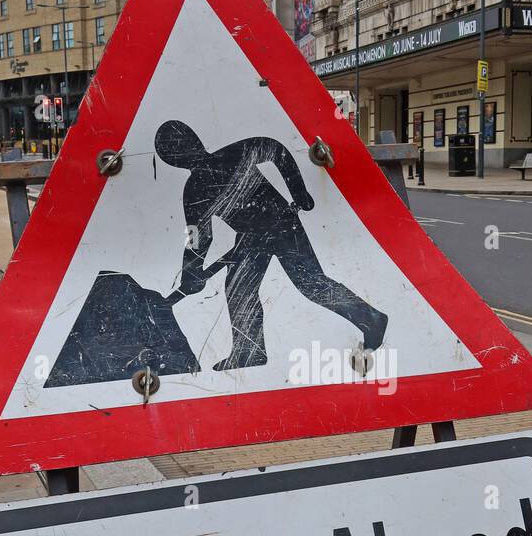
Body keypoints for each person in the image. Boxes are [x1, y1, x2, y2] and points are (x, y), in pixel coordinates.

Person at [155, 119, 388, 371]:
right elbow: (198, 237)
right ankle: (249, 352)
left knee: (310, 283)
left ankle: (371, 319)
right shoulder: (195, 191)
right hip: (249, 238)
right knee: (238, 290)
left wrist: (299, 193)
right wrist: (191, 272)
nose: (182, 155)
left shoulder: (231, 156)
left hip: (282, 225)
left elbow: (276, 150)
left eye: (179, 150)